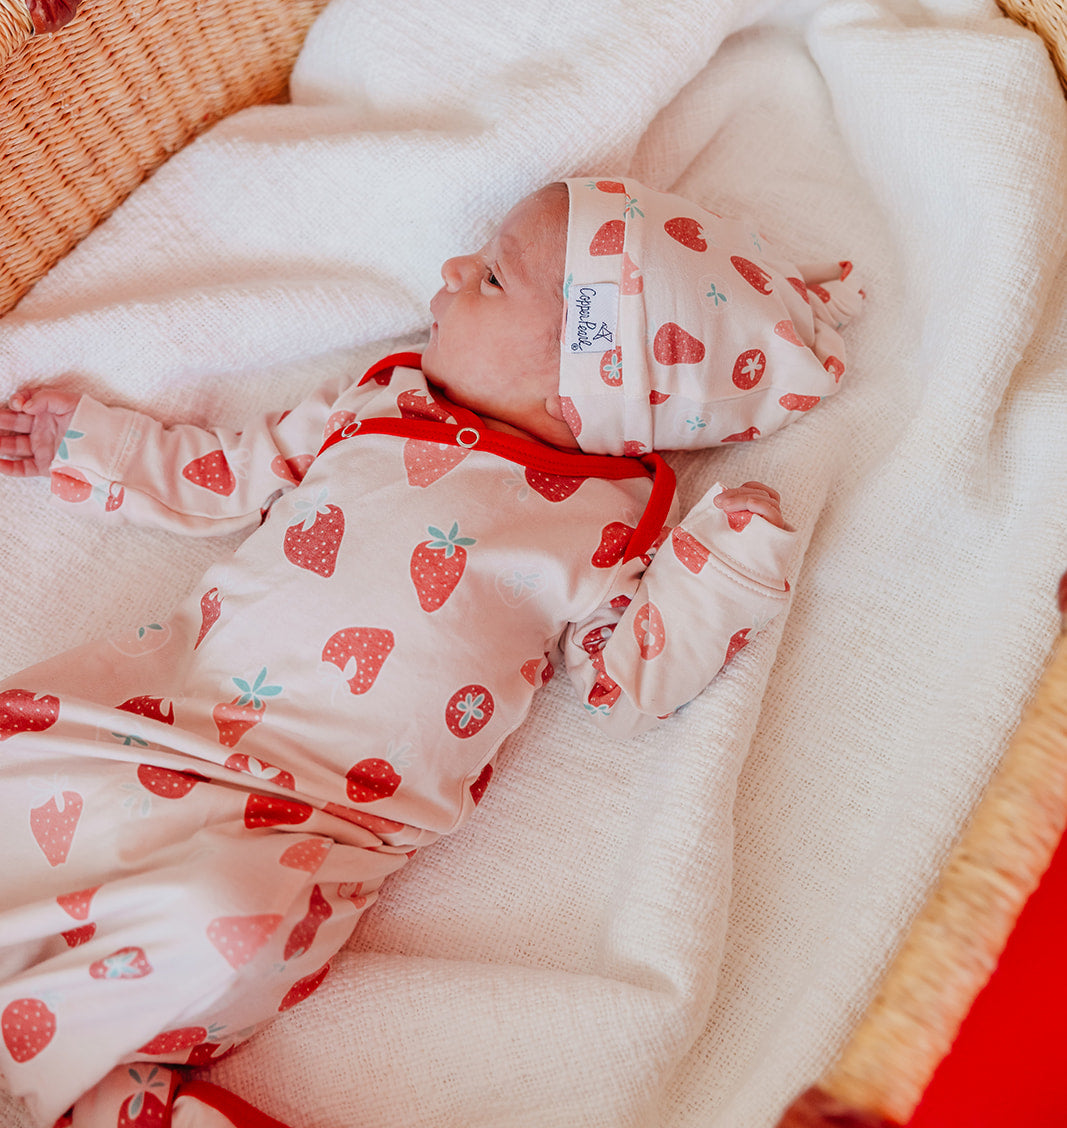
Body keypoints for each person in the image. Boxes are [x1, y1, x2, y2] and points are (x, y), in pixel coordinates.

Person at [0, 177, 862, 1128]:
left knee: (229, 921)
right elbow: (224, 474)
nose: (454, 269)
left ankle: (50, 1074)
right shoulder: (377, 403)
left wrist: (727, 564)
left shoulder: (598, 522)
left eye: (493, 277)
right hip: (159, 724)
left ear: (586, 379)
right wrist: (87, 445)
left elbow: (629, 681)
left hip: (305, 823)